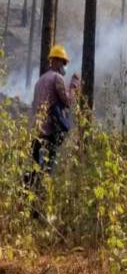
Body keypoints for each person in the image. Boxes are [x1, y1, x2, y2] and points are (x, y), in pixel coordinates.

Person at [29, 45, 80, 176]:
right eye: (63, 62)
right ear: (56, 61)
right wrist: (74, 85)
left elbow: (34, 106)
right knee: (47, 168)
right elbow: (68, 101)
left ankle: (27, 193)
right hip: (50, 132)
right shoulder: (57, 78)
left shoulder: (39, 81)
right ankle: (43, 194)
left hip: (36, 132)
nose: (65, 66)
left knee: (34, 168)